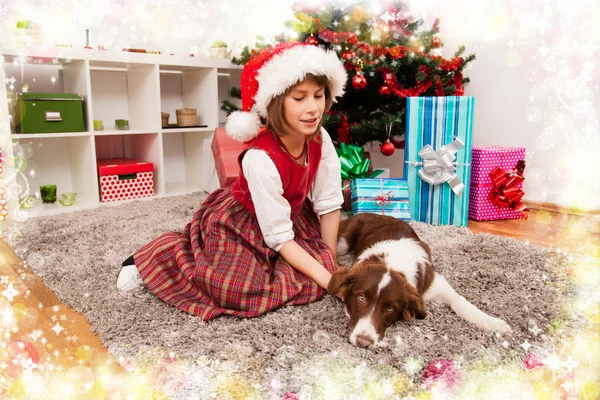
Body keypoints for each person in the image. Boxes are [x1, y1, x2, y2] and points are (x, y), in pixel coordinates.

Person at [116, 41, 348, 321]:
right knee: (236, 291)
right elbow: (280, 238)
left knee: (321, 262)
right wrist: (331, 282)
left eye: (319, 95)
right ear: (275, 102)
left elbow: (328, 203)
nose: (313, 108)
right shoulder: (260, 158)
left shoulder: (321, 139)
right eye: (299, 98)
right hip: (242, 221)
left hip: (290, 214)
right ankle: (160, 255)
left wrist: (330, 263)